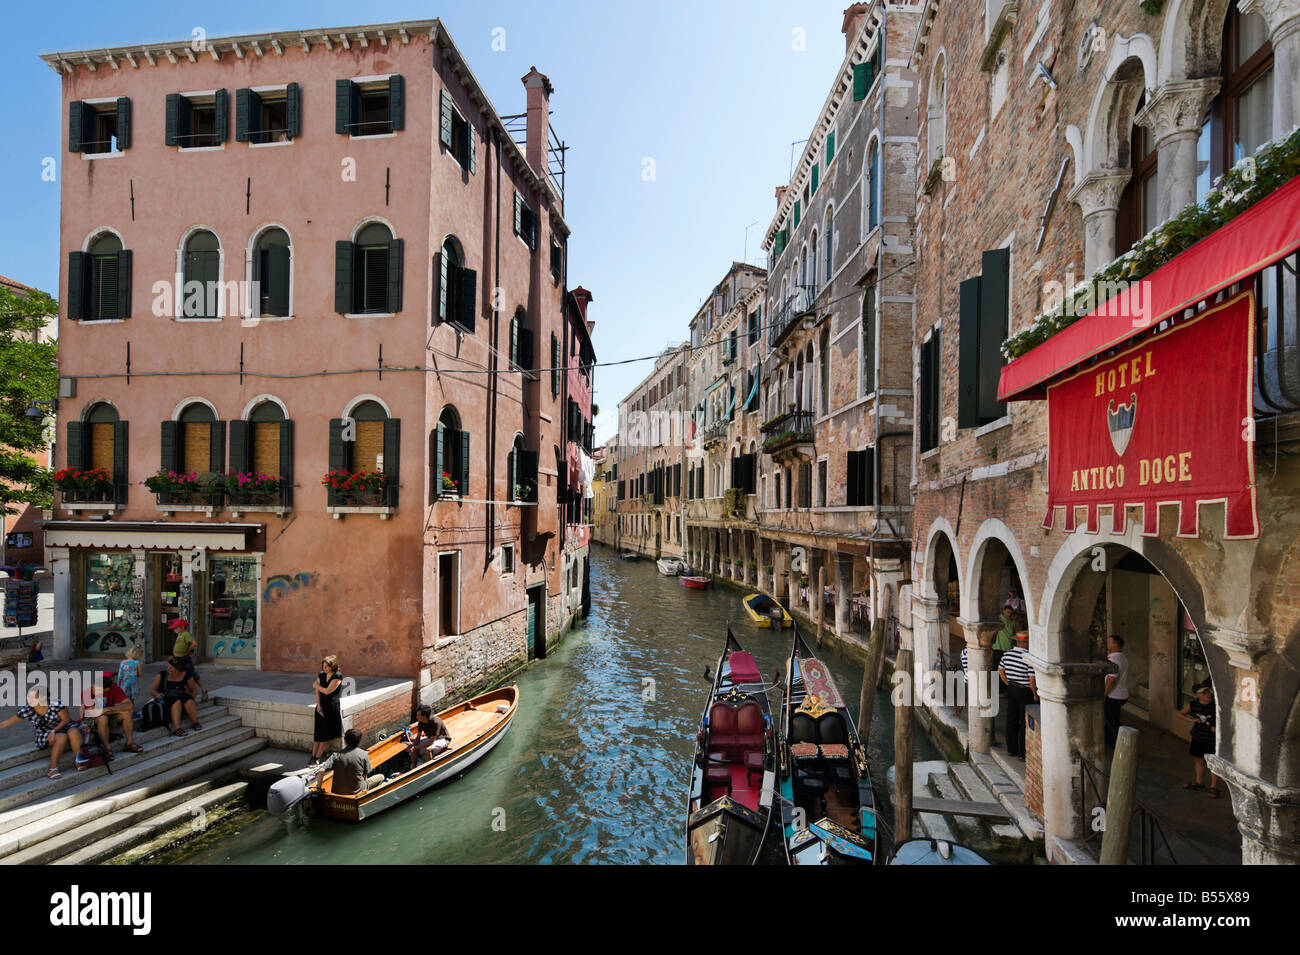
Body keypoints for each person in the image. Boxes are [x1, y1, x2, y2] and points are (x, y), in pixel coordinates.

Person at [0, 689, 84, 778]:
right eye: (29, 697)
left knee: (74, 732)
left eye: (34, 697)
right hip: (44, 732)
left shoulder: (55, 703)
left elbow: (66, 719)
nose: (30, 699)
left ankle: (79, 761)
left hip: (63, 726)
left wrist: (54, 730)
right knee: (61, 737)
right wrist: (52, 732)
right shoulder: (28, 709)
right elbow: (6, 723)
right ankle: (53, 769)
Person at [82, 671, 143, 754]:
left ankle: (129, 743)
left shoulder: (114, 688)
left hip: (108, 715)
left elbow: (129, 705)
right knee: (103, 718)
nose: (93, 689)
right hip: (91, 720)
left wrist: (107, 709)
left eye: (97, 689)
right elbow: (92, 713)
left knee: (127, 713)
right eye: (93, 686)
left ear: (107, 689)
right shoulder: (87, 692)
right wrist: (113, 710)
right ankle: (107, 748)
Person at [998, 631, 1037, 759]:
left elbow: (1000, 670)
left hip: (1012, 689)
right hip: (1025, 691)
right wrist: (1035, 694)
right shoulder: (1029, 657)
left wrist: (1008, 683)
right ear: (1025, 643)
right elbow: (1032, 679)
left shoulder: (1007, 654)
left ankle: (1011, 749)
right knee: (1024, 721)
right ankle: (1022, 753)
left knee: (1011, 719)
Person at [1178, 680, 1220, 798]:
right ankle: (1199, 783)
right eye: (1204, 693)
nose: (1208, 695)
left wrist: (1217, 728)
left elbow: (1226, 718)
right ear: (1197, 695)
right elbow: (1181, 714)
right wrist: (1192, 721)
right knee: (1198, 760)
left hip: (1212, 739)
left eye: (1208, 692)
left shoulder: (1216, 705)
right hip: (1198, 736)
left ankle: (1214, 787)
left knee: (1213, 763)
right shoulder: (1193, 705)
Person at [317, 728, 383, 795]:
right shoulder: (364, 754)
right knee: (381, 777)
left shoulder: (336, 755)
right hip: (357, 792)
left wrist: (319, 788)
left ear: (345, 741)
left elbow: (321, 771)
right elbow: (364, 776)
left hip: (337, 792)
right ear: (359, 741)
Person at [150, 657, 201, 737]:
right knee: (176, 702)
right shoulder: (162, 675)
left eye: (171, 668)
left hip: (181, 696)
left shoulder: (186, 675)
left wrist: (191, 698)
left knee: (189, 701)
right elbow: (152, 690)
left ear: (178, 669)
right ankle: (177, 728)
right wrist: (157, 694)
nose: (168, 669)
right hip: (167, 698)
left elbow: (193, 690)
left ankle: (195, 722)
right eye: (168, 666)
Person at [310, 655, 344, 767]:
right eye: (323, 666)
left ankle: (317, 758)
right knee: (318, 732)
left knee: (325, 734)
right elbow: (318, 692)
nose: (324, 668)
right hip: (321, 706)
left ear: (332, 666)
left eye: (327, 666)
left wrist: (316, 685)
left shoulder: (337, 676)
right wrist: (318, 704)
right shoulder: (321, 674)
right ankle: (312, 756)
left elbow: (327, 691)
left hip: (331, 708)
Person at [168, 621, 209, 702]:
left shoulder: (186, 634)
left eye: (176, 627)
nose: (175, 629)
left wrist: (187, 651)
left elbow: (194, 644)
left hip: (183, 658)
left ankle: (201, 690)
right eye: (174, 628)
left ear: (182, 627)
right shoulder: (180, 635)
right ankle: (187, 690)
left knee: (191, 673)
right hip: (178, 658)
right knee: (182, 674)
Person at [1103, 634, 1130, 748]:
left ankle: (1124, 743)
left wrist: (1104, 694)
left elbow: (1111, 679)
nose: (1107, 643)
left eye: (1109, 641)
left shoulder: (1115, 658)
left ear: (1115, 644)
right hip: (1120, 695)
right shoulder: (1121, 657)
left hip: (1114, 696)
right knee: (1112, 719)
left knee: (1112, 722)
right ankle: (1110, 742)